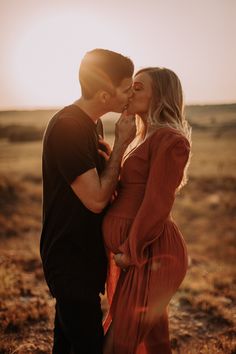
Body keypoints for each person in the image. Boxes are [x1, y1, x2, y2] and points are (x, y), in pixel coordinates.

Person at [40, 48, 136, 354]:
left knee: (66, 346)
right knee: (88, 346)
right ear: (106, 96)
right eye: (126, 88)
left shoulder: (91, 124)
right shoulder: (69, 127)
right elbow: (95, 199)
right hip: (69, 257)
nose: (131, 94)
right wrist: (121, 144)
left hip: (85, 254)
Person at [102, 67, 191, 354]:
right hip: (134, 254)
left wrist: (132, 249)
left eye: (138, 87)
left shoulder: (169, 140)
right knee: (149, 341)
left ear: (160, 95)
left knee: (118, 342)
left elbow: (157, 203)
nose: (130, 92)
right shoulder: (140, 138)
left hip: (151, 253)